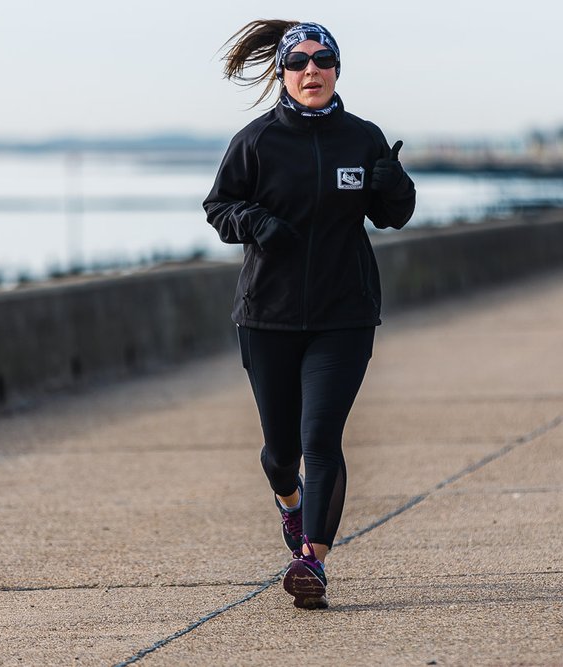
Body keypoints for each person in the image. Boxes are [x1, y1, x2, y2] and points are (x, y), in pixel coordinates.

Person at [203, 20, 416, 609]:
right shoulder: (257, 141)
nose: (311, 70)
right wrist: (256, 223)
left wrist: (394, 185)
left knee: (320, 436)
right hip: (266, 317)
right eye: (298, 62)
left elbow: (393, 215)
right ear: (283, 73)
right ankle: (290, 504)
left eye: (323, 60)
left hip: (343, 314)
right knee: (281, 453)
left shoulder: (363, 137)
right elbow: (219, 207)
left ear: (338, 70)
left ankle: (311, 563)